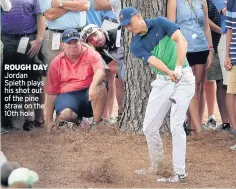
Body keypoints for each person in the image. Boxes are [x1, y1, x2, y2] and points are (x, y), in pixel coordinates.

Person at [119, 7, 195, 182]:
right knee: (149, 127)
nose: (129, 28)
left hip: (183, 78)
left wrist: (176, 69)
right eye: (125, 27)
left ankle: (179, 173)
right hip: (162, 82)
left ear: (138, 16)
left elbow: (181, 41)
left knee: (175, 124)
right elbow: (154, 61)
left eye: (129, 24)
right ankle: (157, 165)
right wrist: (169, 72)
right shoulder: (136, 45)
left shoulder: (161, 23)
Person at [45, 29, 107, 133]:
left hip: (89, 92)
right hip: (68, 95)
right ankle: (77, 120)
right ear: (62, 45)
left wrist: (93, 86)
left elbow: (100, 72)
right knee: (66, 114)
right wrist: (49, 120)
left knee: (99, 86)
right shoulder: (55, 62)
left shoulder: (92, 54)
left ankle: (96, 124)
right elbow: (51, 92)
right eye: (69, 43)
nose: (73, 45)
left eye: (75, 42)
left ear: (80, 42)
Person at [167, 0, 214, 136]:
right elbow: (171, 28)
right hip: (184, 47)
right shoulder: (174, 1)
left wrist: (211, 50)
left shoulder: (202, 1)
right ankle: (188, 123)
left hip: (201, 46)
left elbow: (206, 27)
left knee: (199, 85)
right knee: (186, 86)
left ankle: (196, 123)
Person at [1, 0, 46, 131]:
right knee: (8, 81)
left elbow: (40, 16)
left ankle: (29, 120)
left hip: (28, 40)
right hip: (7, 40)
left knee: (30, 80)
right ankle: (6, 120)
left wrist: (39, 40)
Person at [80, 24, 124, 122]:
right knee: (119, 78)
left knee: (121, 77)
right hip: (126, 68)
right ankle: (122, 114)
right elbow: (115, 68)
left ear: (101, 30)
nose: (95, 39)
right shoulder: (100, 49)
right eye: (91, 40)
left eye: (95, 34)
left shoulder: (118, 34)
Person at [205, 0, 229, 129]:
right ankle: (226, 122)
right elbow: (204, 18)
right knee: (220, 82)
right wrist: (222, 30)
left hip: (231, 41)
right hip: (215, 42)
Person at [224, 0, 236, 135]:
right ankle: (235, 130)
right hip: (234, 55)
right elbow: (229, 30)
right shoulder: (232, 3)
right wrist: (227, 55)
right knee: (231, 91)